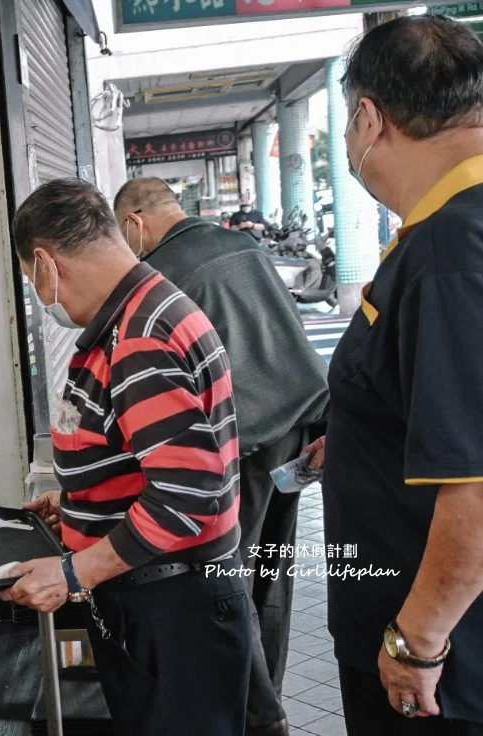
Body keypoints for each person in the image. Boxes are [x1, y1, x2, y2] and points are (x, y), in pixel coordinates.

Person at [0, 178, 252, 735]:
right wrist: (81, 502)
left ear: (45, 263)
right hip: (166, 599)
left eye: (33, 280)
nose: (47, 299)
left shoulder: (139, 337)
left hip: (173, 607)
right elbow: (154, 457)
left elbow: (184, 496)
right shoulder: (140, 311)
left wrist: (73, 572)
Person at [307, 14, 483, 735]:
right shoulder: (450, 233)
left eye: (347, 127)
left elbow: (475, 487)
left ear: (369, 119)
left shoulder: (449, 254)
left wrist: (414, 642)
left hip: (447, 671)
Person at [114, 177, 329, 736]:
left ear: (134, 224)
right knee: (271, 576)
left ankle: (259, 716)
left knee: (227, 579)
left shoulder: (164, 276)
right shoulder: (243, 245)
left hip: (245, 442)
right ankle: (271, 698)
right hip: (299, 427)